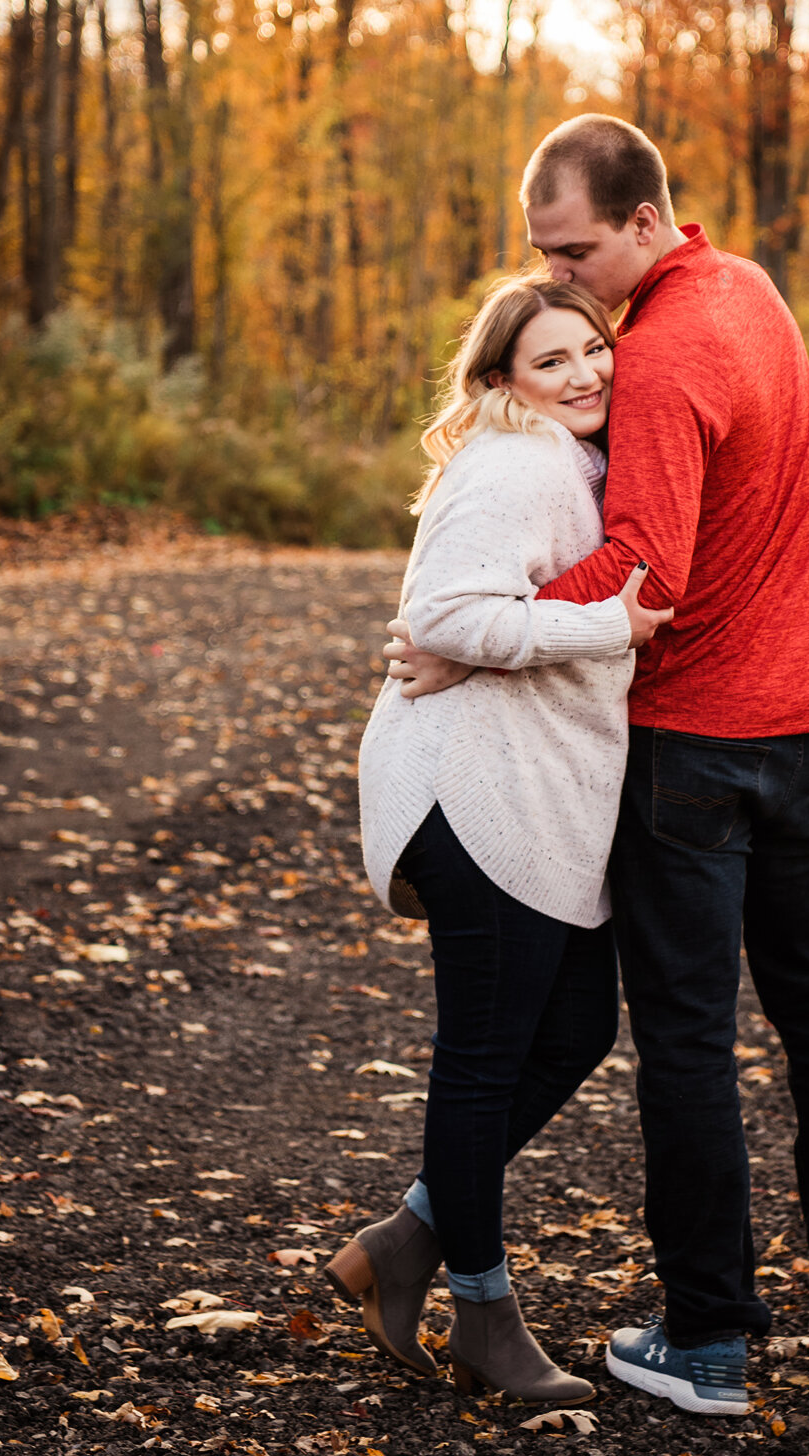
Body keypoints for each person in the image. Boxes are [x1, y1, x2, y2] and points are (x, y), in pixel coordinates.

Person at [387, 114, 809, 1418]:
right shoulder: (748, 290)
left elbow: (643, 569)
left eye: (571, 253)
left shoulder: (669, 348)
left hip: (704, 740)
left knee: (684, 1036)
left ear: (641, 222)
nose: (558, 278)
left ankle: (708, 1341)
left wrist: (477, 641)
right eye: (542, 261)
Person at [325, 273, 671, 1404]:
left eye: (591, 350)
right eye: (549, 361)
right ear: (499, 383)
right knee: (481, 1059)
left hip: (524, 791)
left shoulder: (574, 458)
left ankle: (405, 1240)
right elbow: (443, 617)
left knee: (571, 1024)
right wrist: (603, 621)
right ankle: (483, 1312)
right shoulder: (515, 460)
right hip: (468, 793)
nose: (582, 375)